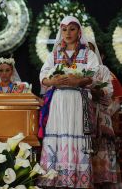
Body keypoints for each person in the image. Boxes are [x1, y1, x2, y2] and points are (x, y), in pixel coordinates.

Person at [38, 16, 100, 188]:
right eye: (64, 29)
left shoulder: (88, 54)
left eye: (72, 29)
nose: (67, 33)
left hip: (78, 102)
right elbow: (43, 75)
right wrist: (52, 82)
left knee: (77, 134)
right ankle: (54, 179)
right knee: (57, 135)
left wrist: (79, 81)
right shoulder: (55, 54)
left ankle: (77, 180)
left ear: (79, 31)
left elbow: (96, 75)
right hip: (58, 102)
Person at [88, 41, 118, 188]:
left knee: (103, 148)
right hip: (84, 114)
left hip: (101, 113)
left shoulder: (103, 70)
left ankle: (104, 180)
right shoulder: (77, 68)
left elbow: (109, 91)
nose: (87, 52)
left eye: (91, 50)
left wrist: (97, 91)